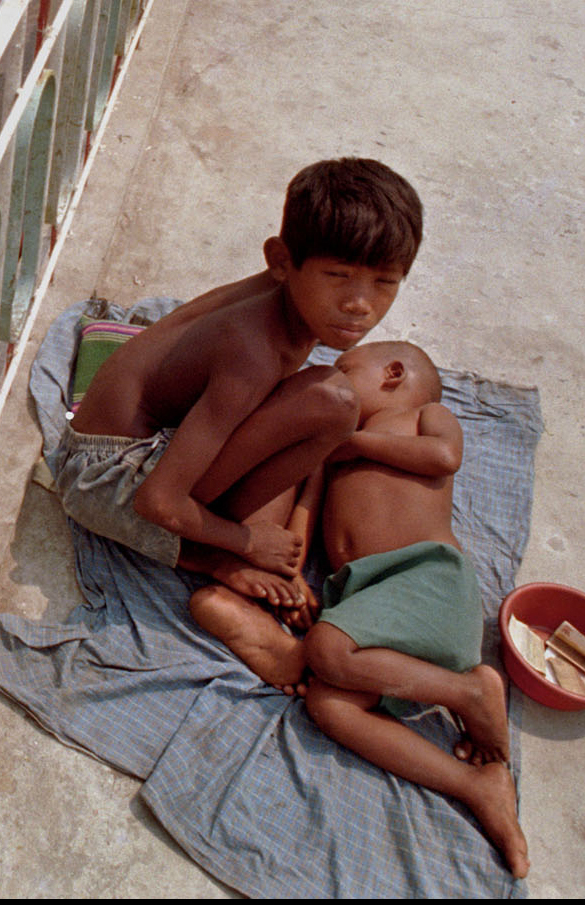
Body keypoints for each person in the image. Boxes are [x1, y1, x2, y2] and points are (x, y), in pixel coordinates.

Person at [187, 341, 529, 879]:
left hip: (427, 580)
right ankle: (473, 784)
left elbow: (445, 457)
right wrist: (293, 571)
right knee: (327, 706)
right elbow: (308, 502)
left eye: (346, 372)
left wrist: (358, 442)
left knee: (327, 649)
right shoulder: (333, 445)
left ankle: (468, 691)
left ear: (393, 374)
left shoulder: (424, 416)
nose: (337, 386)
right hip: (368, 600)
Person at [61, 157, 423, 609]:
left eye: (384, 282)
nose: (359, 304)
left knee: (315, 409)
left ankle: (221, 537)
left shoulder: (283, 300)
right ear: (281, 261)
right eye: (339, 276)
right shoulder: (254, 351)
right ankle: (211, 557)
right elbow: (157, 503)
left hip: (123, 448)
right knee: (333, 403)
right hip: (107, 481)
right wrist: (245, 541)